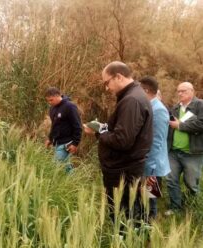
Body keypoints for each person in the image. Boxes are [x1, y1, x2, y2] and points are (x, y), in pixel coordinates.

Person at [84, 61, 153, 223]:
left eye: (106, 83)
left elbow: (122, 140)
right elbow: (124, 131)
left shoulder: (131, 101)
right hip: (126, 169)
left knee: (124, 217)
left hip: (124, 172)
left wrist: (98, 132)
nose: (106, 88)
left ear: (119, 77)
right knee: (132, 213)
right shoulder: (132, 96)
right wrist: (104, 127)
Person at [165, 82, 203, 215]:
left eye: (183, 91)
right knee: (171, 180)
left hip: (192, 153)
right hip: (174, 152)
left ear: (192, 91)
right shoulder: (175, 108)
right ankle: (176, 208)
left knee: (191, 183)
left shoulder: (200, 105)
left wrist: (180, 125)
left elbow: (201, 124)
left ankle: (195, 208)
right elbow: (170, 125)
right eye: (178, 91)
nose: (180, 93)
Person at [139, 76, 171, 220]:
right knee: (144, 198)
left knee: (150, 199)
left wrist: (150, 170)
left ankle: (150, 230)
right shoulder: (149, 106)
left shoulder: (158, 110)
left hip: (152, 164)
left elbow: (156, 142)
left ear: (145, 90)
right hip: (147, 162)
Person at [45, 87, 82, 173]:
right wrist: (50, 139)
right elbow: (54, 126)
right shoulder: (52, 109)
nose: (50, 103)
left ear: (58, 95)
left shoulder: (70, 106)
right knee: (66, 167)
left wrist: (75, 143)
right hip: (57, 142)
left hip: (67, 143)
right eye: (48, 101)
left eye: (51, 100)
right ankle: (74, 183)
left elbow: (77, 126)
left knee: (56, 166)